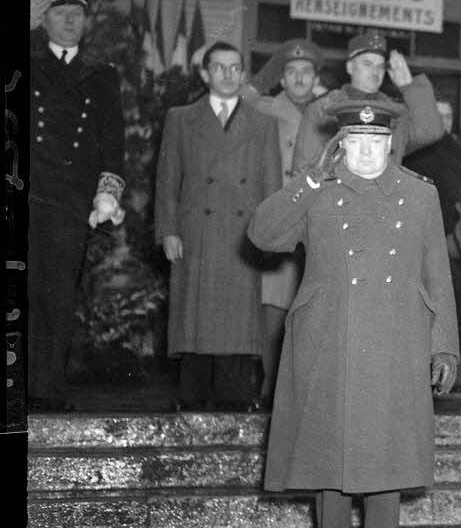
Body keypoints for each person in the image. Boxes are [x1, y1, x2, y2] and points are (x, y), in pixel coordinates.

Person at [248, 97, 459, 528]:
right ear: (340, 144)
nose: (365, 152)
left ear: (391, 143)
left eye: (376, 142)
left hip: (396, 337)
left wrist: (445, 346)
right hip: (328, 337)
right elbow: (263, 233)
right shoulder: (319, 189)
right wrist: (309, 181)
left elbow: (438, 275)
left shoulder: (418, 195)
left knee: (386, 458)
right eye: (355, 142)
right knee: (331, 460)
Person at [155, 41, 282, 411]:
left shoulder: (263, 124)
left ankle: (234, 400)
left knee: (237, 324)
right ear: (205, 73)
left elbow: (271, 187)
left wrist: (268, 236)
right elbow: (167, 180)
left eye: (235, 68)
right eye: (219, 67)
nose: (228, 75)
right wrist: (168, 230)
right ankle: (192, 400)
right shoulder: (180, 118)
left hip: (243, 238)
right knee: (194, 319)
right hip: (196, 235)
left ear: (242, 74)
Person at [26, 0, 125, 413]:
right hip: (24, 197)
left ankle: (47, 388)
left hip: (70, 202)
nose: (69, 20)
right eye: (60, 12)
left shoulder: (102, 76)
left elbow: (112, 142)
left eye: (77, 13)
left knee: (58, 295)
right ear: (42, 19)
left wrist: (107, 194)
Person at [245, 37, 322, 408]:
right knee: (273, 304)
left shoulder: (328, 111)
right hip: (280, 217)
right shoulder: (264, 107)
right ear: (282, 77)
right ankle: (269, 386)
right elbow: (237, 101)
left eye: (306, 71)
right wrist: (268, 70)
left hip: (318, 218)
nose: (298, 78)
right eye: (290, 71)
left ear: (315, 77)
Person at [291, 30, 444, 175]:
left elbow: (430, 132)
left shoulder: (394, 112)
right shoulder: (324, 108)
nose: (375, 72)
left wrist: (408, 86)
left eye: (380, 66)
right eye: (367, 64)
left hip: (384, 199)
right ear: (350, 67)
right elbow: (304, 169)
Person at [402, 99, 461, 347]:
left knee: (451, 302)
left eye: (448, 115)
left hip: (451, 239)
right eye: (438, 114)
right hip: (416, 236)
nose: (443, 120)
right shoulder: (414, 148)